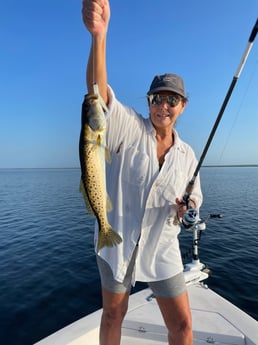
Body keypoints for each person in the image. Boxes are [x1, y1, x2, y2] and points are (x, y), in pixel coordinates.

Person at [82, 1, 203, 344]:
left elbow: (195, 198)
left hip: (162, 245)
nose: (163, 106)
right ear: (148, 101)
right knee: (113, 314)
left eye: (171, 99)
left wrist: (188, 208)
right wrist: (99, 37)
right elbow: (97, 92)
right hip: (116, 242)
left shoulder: (187, 154)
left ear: (183, 106)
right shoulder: (128, 128)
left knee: (182, 326)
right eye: (156, 98)